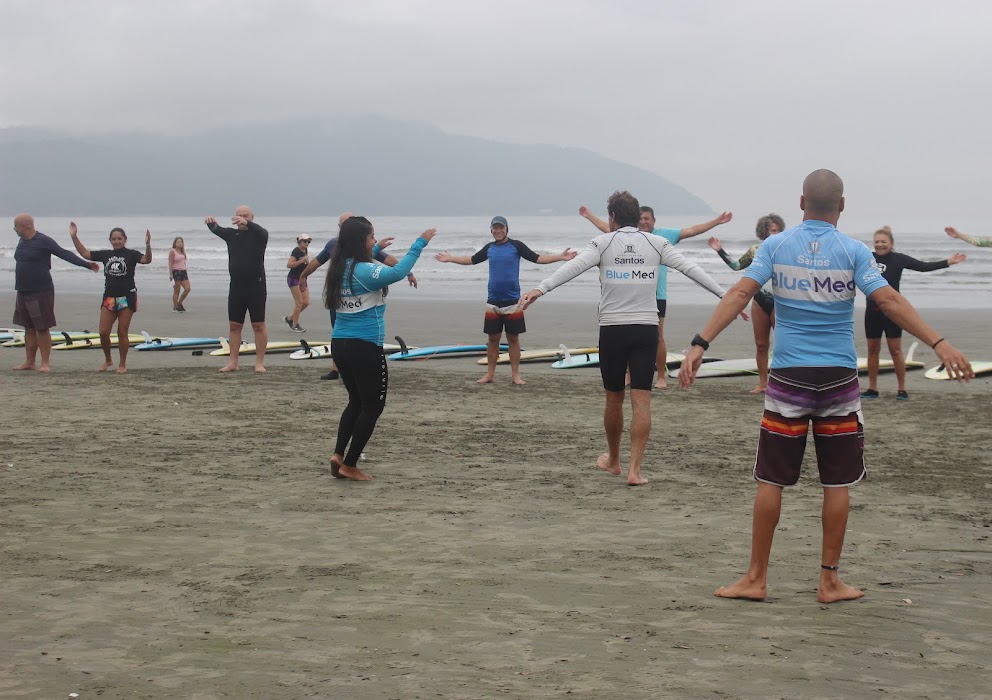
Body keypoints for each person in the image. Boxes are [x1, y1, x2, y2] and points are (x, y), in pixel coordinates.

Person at [678, 169, 973, 604]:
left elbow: (741, 293)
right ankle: (829, 581)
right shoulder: (853, 250)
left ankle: (756, 578)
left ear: (800, 203)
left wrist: (700, 343)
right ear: (842, 205)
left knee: (771, 479)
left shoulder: (776, 245)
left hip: (789, 377)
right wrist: (939, 342)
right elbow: (887, 299)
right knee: (837, 483)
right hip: (837, 378)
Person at [519, 191, 726, 485]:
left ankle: (614, 460)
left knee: (614, 397)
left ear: (613, 217)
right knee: (641, 400)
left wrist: (540, 289)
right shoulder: (657, 243)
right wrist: (726, 296)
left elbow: (572, 268)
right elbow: (692, 270)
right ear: (636, 216)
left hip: (613, 330)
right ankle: (635, 471)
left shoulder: (602, 243)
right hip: (646, 330)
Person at [324, 216, 436, 481]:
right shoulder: (363, 271)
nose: (375, 241)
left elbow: (367, 259)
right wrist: (420, 243)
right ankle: (349, 465)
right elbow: (396, 272)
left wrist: (374, 249)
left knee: (355, 400)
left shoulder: (340, 267)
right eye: (372, 237)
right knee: (373, 407)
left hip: (340, 343)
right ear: (360, 241)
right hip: (364, 347)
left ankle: (339, 454)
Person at [580, 205, 733, 388]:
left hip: (657, 295)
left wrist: (716, 221)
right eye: (641, 219)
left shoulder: (663, 236)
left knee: (658, 337)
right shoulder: (628, 236)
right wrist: (589, 216)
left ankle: (661, 376)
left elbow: (691, 230)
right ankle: (629, 374)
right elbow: (607, 227)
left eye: (647, 219)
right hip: (633, 293)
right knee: (630, 333)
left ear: (654, 221)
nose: (644, 222)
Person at [435, 216, 577, 385]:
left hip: (512, 303)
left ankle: (515, 375)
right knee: (493, 340)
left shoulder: (516, 246)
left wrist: (560, 257)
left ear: (506, 229)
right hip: (493, 302)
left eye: (501, 228)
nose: (498, 231)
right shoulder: (489, 248)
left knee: (513, 340)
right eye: (495, 228)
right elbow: (471, 260)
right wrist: (450, 258)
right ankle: (490, 374)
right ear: (491, 230)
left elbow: (538, 258)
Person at [300, 212, 418, 380]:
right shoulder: (333, 245)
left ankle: (344, 368)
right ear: (340, 228)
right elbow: (316, 262)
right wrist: (304, 275)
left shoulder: (362, 245)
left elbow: (386, 260)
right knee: (338, 330)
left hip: (360, 298)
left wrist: (409, 273)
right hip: (340, 296)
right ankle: (336, 368)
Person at [861, 226, 967, 400]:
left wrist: (948, 262)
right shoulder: (868, 259)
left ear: (891, 243)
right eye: (877, 242)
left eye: (883, 241)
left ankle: (901, 389)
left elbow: (923, 267)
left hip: (894, 313)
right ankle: (872, 389)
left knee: (895, 350)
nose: (880, 245)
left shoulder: (898, 259)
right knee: (872, 349)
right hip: (872, 311)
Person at [11, 213, 100, 372]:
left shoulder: (43, 241)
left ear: (25, 226)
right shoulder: (22, 241)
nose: (14, 229)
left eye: (16, 226)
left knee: (42, 328)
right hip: (22, 290)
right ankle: (29, 362)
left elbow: (64, 253)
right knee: (28, 328)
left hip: (40, 290)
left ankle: (45, 363)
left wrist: (87, 265)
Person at [708, 214, 786, 393]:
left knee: (782, 344)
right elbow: (736, 266)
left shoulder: (785, 250)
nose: (776, 233)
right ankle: (763, 383)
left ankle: (781, 383)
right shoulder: (755, 250)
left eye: (779, 230)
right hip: (759, 302)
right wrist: (719, 250)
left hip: (779, 302)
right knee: (761, 344)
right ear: (764, 232)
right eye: (773, 230)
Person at [69, 223, 152, 373]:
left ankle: (122, 364)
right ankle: (108, 359)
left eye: (119, 238)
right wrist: (74, 237)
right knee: (103, 332)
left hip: (127, 297)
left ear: (125, 239)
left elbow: (147, 260)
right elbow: (85, 254)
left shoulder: (131, 254)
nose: (117, 241)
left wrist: (148, 244)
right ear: (110, 240)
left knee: (122, 332)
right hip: (109, 298)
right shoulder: (106, 255)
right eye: (114, 239)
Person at [205, 205, 268, 373]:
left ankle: (259, 363)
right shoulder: (232, 235)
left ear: (252, 217)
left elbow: (262, 231)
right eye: (238, 216)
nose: (241, 218)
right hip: (236, 287)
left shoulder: (259, 235)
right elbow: (217, 230)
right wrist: (211, 223)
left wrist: (248, 223)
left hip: (256, 286)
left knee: (258, 325)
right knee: (234, 325)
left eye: (245, 215)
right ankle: (233, 362)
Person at [284, 234, 312, 332]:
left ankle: (289, 318)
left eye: (309, 241)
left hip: (302, 280)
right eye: (305, 241)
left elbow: (305, 266)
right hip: (293, 279)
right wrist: (301, 261)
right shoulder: (296, 251)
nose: (307, 243)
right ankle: (295, 325)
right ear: (299, 242)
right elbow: (289, 265)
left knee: (306, 302)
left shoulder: (305, 251)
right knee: (299, 302)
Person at [169, 237, 191, 312]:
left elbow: (183, 262)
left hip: (183, 272)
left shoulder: (182, 251)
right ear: (175, 243)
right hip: (176, 272)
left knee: (187, 289)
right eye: (178, 242)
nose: (179, 243)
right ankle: (175, 307)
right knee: (177, 291)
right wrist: (171, 274)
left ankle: (179, 303)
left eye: (181, 242)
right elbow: (170, 263)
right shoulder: (172, 251)